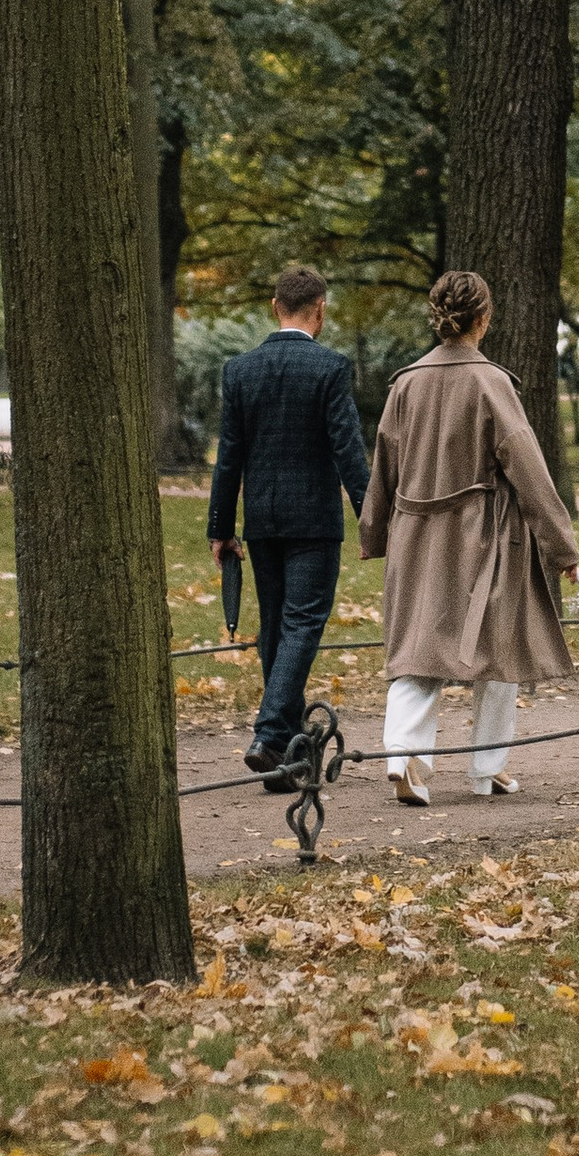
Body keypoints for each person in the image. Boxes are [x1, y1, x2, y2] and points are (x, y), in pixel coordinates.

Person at [360, 267, 578, 807]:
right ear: (483, 318)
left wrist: (375, 531)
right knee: (499, 646)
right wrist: (562, 549)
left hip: (415, 534)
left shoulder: (405, 383)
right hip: (486, 536)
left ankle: (405, 755)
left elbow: (383, 463)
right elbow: (528, 467)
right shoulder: (491, 383)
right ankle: (487, 767)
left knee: (418, 646)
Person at [209, 262, 370, 785]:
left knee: (278, 628)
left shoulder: (239, 370)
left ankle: (289, 759)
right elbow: (348, 449)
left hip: (262, 522)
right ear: (320, 310)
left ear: (275, 307)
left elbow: (229, 455)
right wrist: (373, 517)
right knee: (301, 625)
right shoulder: (330, 369)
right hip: (314, 523)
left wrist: (221, 527)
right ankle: (271, 730)